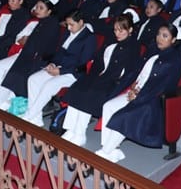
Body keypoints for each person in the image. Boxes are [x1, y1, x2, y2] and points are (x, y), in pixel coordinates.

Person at [95, 24, 181, 162]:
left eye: (165, 36)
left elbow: (164, 86)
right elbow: (140, 74)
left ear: (173, 40)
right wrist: (132, 88)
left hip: (152, 101)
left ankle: (105, 153)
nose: (159, 38)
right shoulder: (153, 50)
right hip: (137, 92)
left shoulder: (175, 58)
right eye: (159, 34)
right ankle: (112, 148)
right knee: (108, 106)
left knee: (124, 115)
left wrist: (139, 95)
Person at [61, 14, 142, 147]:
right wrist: (92, 75)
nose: (117, 33)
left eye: (121, 30)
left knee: (90, 94)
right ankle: (71, 129)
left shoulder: (133, 46)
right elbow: (98, 60)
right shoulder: (111, 41)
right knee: (78, 87)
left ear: (130, 30)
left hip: (113, 81)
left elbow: (129, 73)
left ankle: (80, 133)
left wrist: (116, 86)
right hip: (100, 76)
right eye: (115, 30)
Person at [21, 9, 96, 127]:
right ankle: (35, 117)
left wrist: (61, 71)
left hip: (73, 73)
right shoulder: (68, 33)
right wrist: (53, 64)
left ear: (81, 22)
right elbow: (59, 52)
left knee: (49, 85)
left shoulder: (89, 38)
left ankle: (29, 115)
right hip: (59, 67)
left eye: (72, 25)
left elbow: (82, 62)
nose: (69, 28)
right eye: (67, 24)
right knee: (33, 79)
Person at [0, 0, 61, 109]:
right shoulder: (43, 21)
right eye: (37, 7)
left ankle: (4, 102)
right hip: (28, 55)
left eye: (41, 8)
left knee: (15, 75)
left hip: (39, 59)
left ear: (49, 11)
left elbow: (45, 47)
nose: (37, 10)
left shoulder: (52, 24)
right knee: (10, 74)